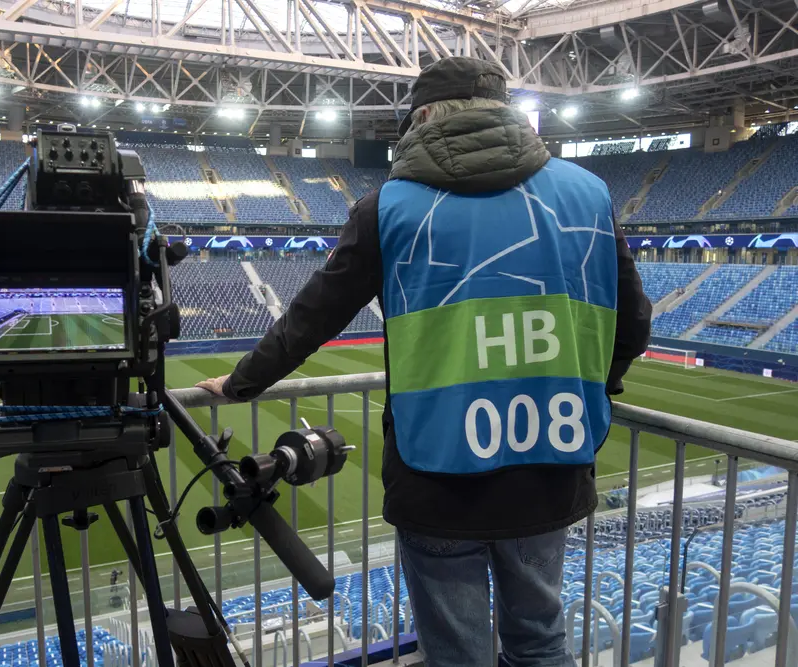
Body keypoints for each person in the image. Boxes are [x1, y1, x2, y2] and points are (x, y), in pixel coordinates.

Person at [196, 57, 651, 667]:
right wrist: (599, 383)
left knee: (457, 655)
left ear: (424, 117)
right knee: (542, 643)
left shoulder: (388, 207)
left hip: (437, 479)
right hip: (552, 468)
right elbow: (635, 321)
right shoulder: (588, 194)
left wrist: (243, 382)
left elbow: (311, 318)